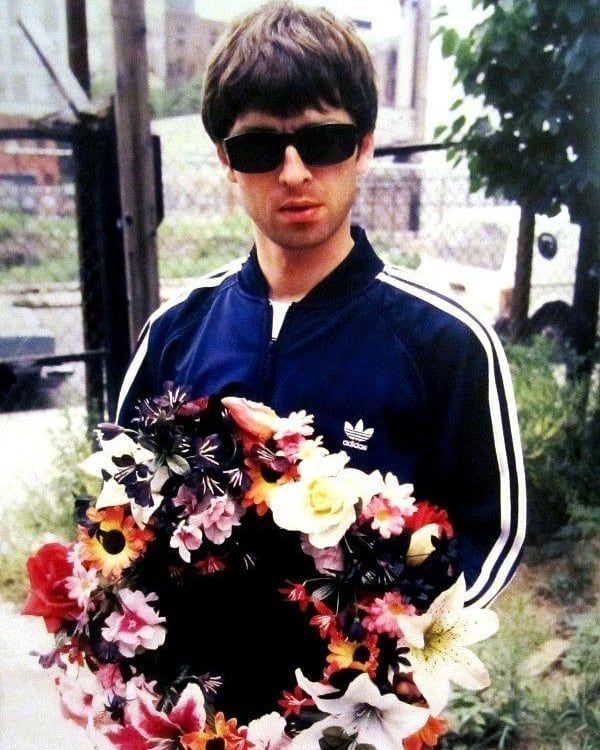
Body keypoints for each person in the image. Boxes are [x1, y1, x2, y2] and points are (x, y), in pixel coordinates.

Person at [116, 0, 526, 724]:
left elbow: (493, 530)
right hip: (206, 726)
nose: (294, 172)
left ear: (364, 145)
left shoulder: (447, 343)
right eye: (259, 149)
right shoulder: (175, 335)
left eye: (324, 141)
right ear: (224, 162)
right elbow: (119, 521)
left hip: (358, 724)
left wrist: (396, 665)